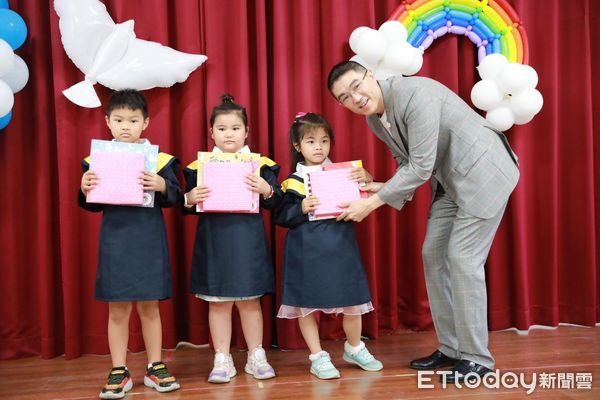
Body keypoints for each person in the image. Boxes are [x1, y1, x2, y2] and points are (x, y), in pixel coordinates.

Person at [327, 61, 519, 383]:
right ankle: (451, 348)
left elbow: (419, 167)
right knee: (433, 255)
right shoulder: (375, 120)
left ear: (370, 75)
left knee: (462, 259)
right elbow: (407, 160)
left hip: (484, 173)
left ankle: (477, 360)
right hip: (449, 181)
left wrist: (372, 203)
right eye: (345, 97)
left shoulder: (415, 94)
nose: (356, 98)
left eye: (356, 86)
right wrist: (379, 186)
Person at [79, 89, 181, 398]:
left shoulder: (159, 160)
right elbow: (92, 204)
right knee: (118, 309)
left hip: (149, 240)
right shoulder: (96, 159)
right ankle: (119, 370)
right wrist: (85, 188)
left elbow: (174, 195)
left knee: (150, 308)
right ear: (107, 121)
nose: (126, 126)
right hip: (116, 242)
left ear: (146, 122)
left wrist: (162, 184)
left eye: (133, 120)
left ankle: (155, 366)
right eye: (119, 120)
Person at [273, 112, 383, 380]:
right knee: (306, 304)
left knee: (353, 300)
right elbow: (280, 217)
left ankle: (354, 347)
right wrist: (299, 207)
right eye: (311, 142)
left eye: (324, 141)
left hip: (341, 246)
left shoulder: (345, 174)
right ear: (298, 147)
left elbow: (369, 194)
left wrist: (366, 179)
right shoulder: (292, 182)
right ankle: (317, 356)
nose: (319, 147)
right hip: (306, 251)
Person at [182, 94, 281, 384]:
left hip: (248, 242)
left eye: (236, 128)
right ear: (211, 132)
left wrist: (267, 190)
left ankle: (256, 355)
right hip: (214, 242)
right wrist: (189, 198)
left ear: (247, 132)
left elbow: (277, 204)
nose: (229, 134)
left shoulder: (262, 165)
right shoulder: (199, 166)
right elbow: (184, 206)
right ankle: (222, 358)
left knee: (250, 301)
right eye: (222, 128)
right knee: (218, 302)